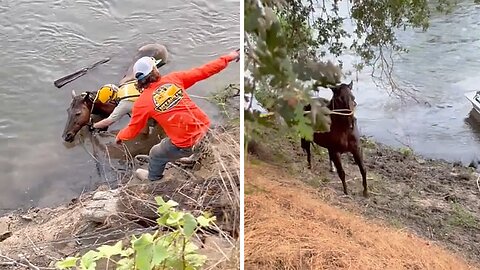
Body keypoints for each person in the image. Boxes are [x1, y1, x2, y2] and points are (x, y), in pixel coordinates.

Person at [115, 49, 240, 181]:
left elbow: (133, 129)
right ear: (155, 71)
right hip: (206, 130)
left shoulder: (141, 103)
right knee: (167, 141)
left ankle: (153, 179)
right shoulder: (174, 79)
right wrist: (228, 57)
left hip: (185, 143)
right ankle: (194, 154)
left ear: (139, 81)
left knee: (156, 153)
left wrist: (120, 136)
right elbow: (204, 71)